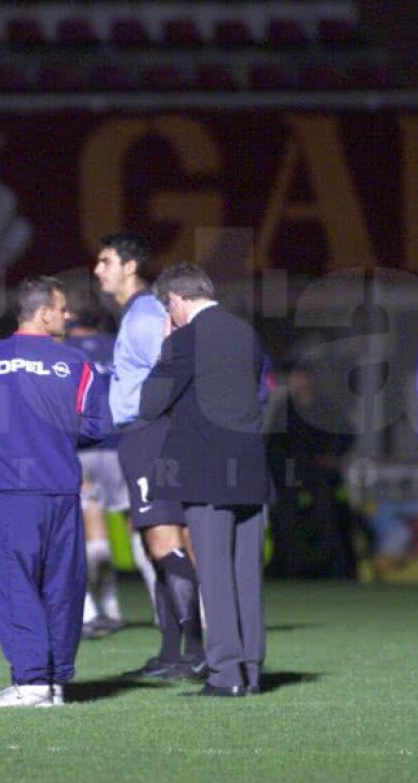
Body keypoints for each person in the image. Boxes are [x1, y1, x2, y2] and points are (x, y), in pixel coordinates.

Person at [0, 276, 112, 707]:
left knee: (18, 582)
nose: (67, 314)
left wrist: (3, 430)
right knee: (63, 585)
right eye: (61, 308)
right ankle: (54, 682)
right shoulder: (78, 364)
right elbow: (98, 427)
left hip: (17, 491)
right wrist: (54, 438)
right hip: (63, 488)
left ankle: (32, 681)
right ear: (42, 313)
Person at [140, 262, 269, 698]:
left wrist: (165, 349)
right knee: (247, 574)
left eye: (168, 308)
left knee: (213, 574)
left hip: (207, 471)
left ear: (176, 300)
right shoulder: (246, 333)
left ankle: (225, 675)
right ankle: (251, 670)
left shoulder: (186, 337)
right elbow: (258, 393)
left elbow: (150, 404)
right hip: (251, 466)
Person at [93, 232, 202, 680]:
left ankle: (194, 650)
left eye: (105, 261)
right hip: (149, 434)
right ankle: (172, 651)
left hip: (152, 434)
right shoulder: (137, 314)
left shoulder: (142, 317)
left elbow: (176, 371)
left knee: (165, 544)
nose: (98, 270)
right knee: (160, 545)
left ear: (129, 266)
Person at [62, 299, 134, 637]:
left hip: (82, 449)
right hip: (120, 447)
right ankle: (169, 609)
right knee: (140, 525)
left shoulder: (63, 352)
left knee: (93, 527)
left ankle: (103, 608)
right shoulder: (117, 346)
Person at [264, 361, 357, 579]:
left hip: (320, 475)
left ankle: (338, 572)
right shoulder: (285, 409)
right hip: (291, 476)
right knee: (286, 518)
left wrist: (332, 457)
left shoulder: (326, 408)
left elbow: (346, 435)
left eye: (302, 377)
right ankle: (289, 570)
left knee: (328, 518)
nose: (298, 382)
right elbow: (273, 445)